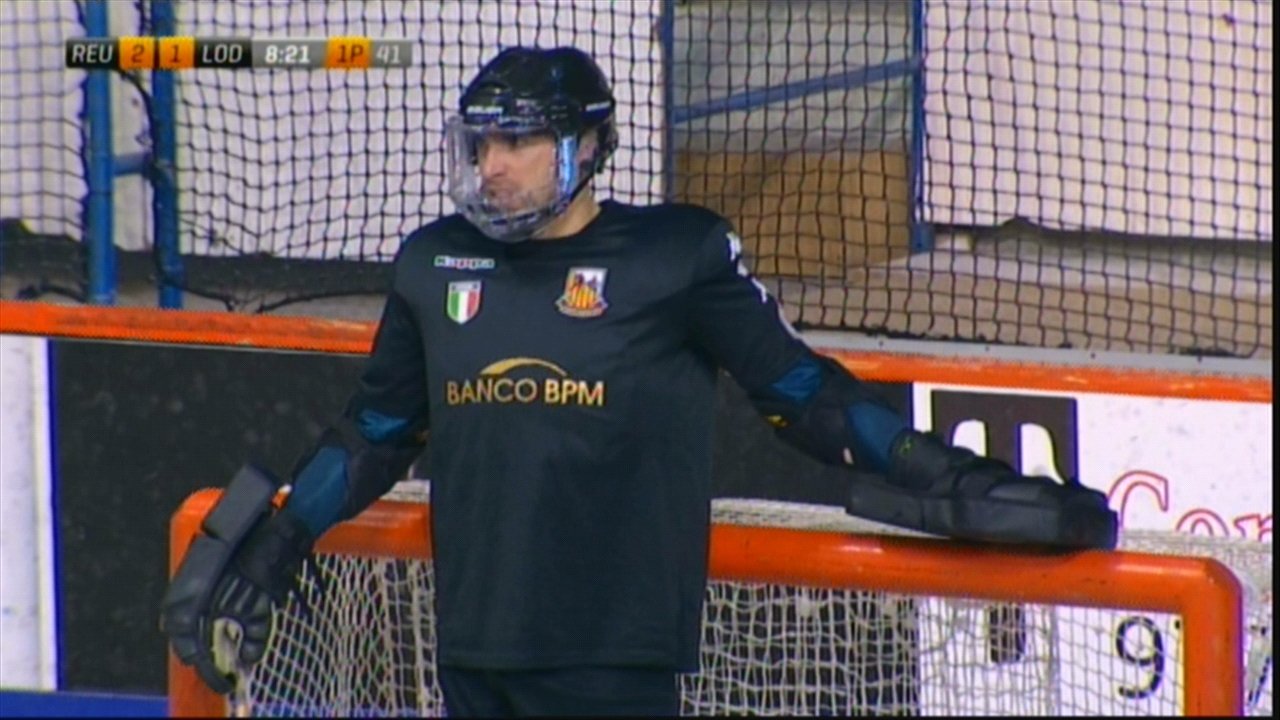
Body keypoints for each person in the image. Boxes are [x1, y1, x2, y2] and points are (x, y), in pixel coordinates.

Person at [161, 46, 1116, 717]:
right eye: (480, 145)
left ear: (582, 149)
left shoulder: (676, 256)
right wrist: (280, 538)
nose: (490, 168)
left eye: (515, 144)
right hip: (473, 650)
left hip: (613, 658)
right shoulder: (431, 263)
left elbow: (806, 396)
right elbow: (375, 432)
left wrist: (950, 477)